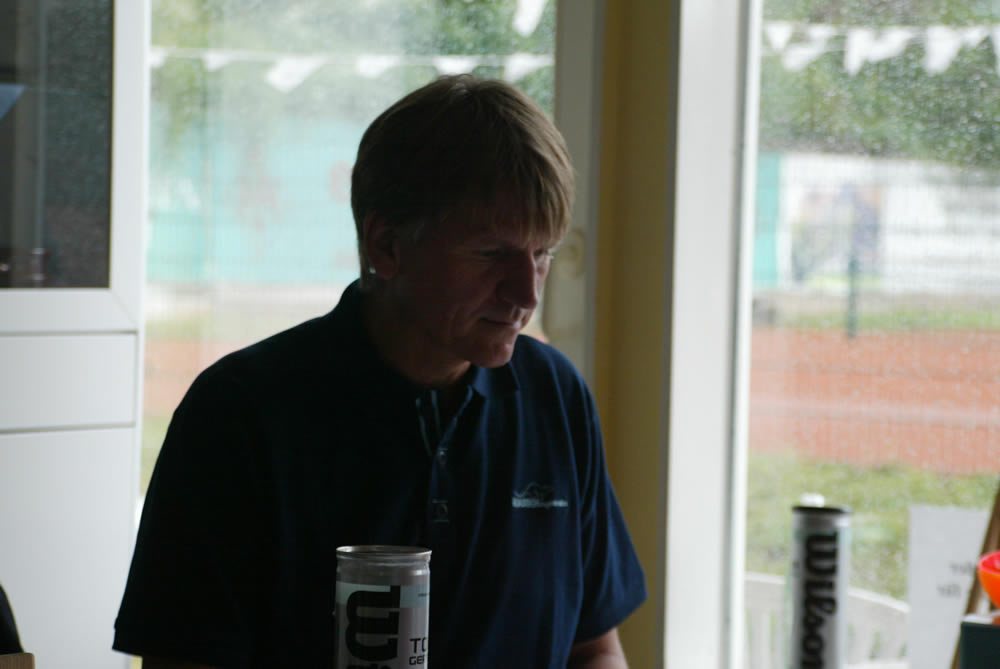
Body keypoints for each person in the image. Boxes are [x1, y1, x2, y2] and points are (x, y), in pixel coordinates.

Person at [113, 74, 646, 668]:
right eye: (492, 253)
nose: (527, 292)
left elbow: (595, 649)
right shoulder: (239, 416)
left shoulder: (555, 397)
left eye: (542, 253)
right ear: (387, 245)